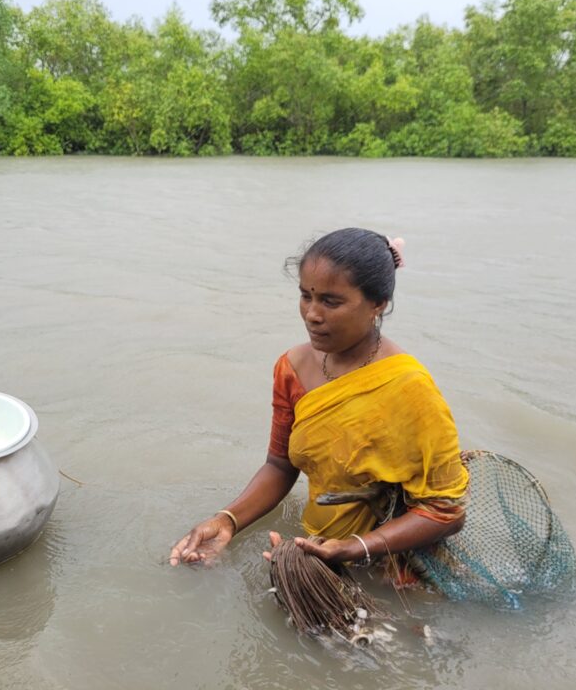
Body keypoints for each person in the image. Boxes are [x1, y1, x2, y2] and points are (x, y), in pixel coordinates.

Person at [169, 228, 469, 572]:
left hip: (394, 567)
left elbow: (446, 511)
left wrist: (353, 549)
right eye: (305, 296)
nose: (312, 313)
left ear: (377, 304)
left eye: (331, 301)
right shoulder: (292, 369)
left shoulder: (408, 386)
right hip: (318, 546)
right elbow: (280, 466)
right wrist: (227, 521)